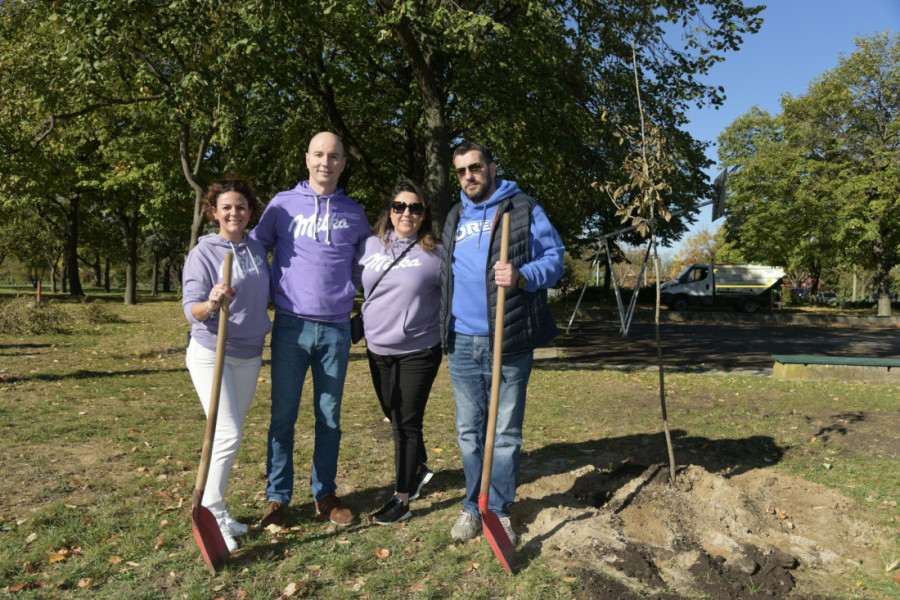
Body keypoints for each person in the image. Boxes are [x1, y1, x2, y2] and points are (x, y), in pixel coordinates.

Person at [440, 142, 565, 546]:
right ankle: (473, 506)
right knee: (468, 431)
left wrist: (523, 275)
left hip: (507, 338)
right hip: (462, 340)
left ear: (492, 167)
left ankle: (498, 508)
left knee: (506, 432)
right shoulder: (455, 215)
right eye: (461, 171)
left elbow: (556, 259)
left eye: (475, 167)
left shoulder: (523, 208)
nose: (469, 176)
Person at [251, 132, 371, 527]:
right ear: (307, 159)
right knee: (283, 416)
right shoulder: (282, 205)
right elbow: (255, 248)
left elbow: (365, 265)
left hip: (336, 330)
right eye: (319, 155)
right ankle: (278, 499)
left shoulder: (354, 212)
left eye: (334, 156)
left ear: (343, 163)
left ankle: (325, 495)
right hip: (291, 325)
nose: (326, 162)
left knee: (329, 418)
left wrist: (359, 297)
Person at [182, 179, 272, 551]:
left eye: (241, 207)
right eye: (227, 208)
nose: (234, 213)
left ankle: (216, 507)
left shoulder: (257, 248)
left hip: (249, 353)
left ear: (251, 211)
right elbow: (192, 309)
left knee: (229, 436)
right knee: (228, 433)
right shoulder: (204, 253)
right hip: (211, 352)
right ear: (214, 212)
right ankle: (211, 512)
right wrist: (213, 300)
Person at [358, 180, 443, 525]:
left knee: (406, 424)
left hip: (418, 349)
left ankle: (402, 499)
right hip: (377, 349)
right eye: (399, 206)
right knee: (394, 415)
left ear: (424, 215)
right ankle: (418, 466)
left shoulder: (436, 252)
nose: (406, 213)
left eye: (415, 207)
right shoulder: (369, 246)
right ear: (390, 210)